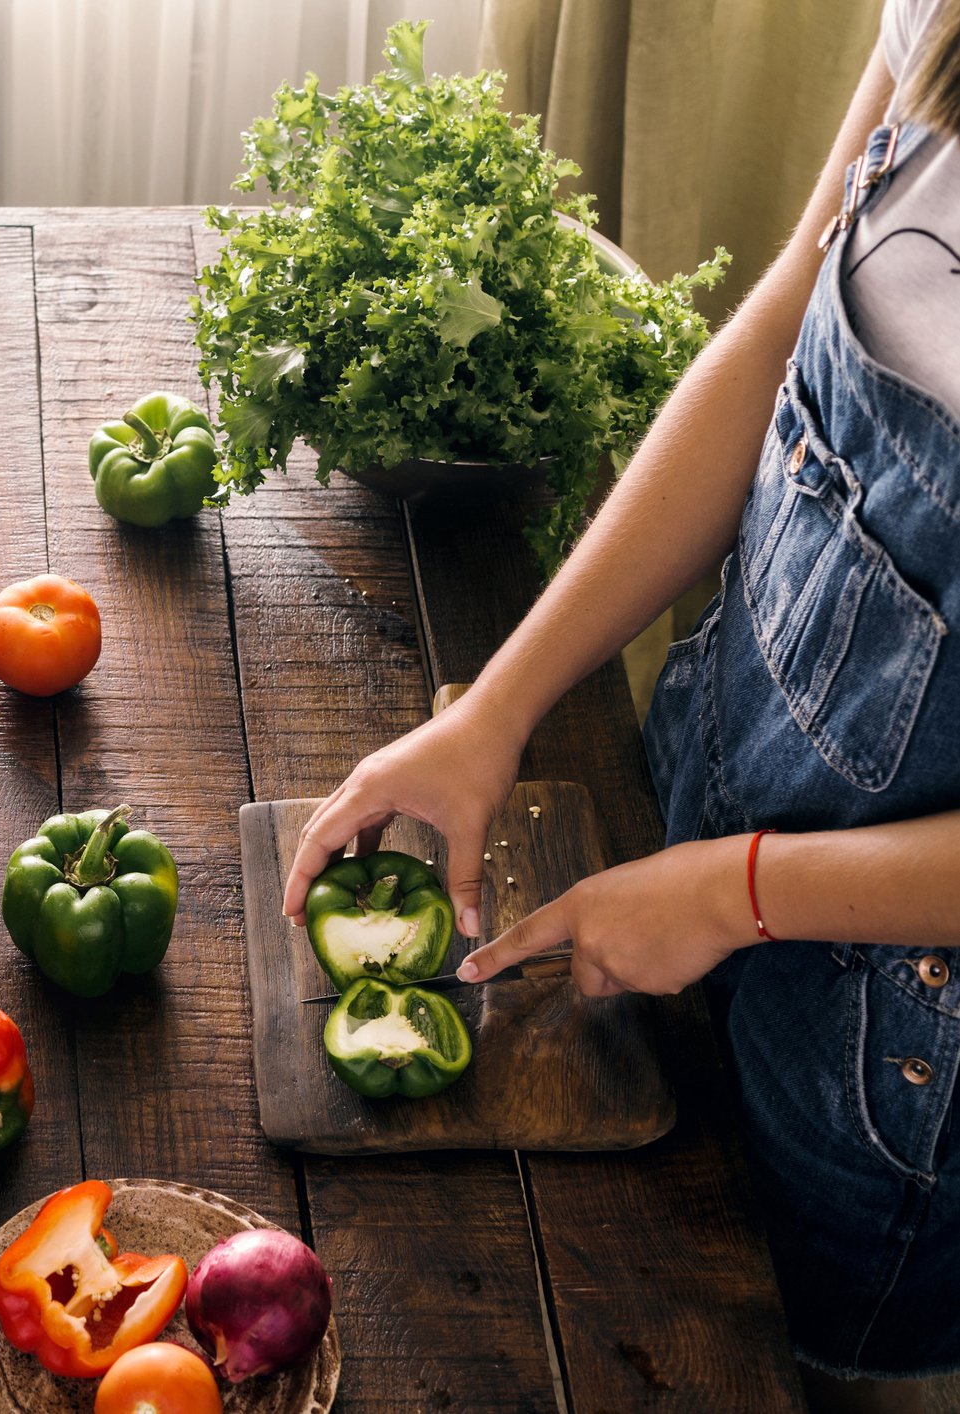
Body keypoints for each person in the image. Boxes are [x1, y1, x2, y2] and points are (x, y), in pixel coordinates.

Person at [283, 2, 959, 1409]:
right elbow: (784, 317)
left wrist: (738, 893)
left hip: (892, 1037)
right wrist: (502, 702)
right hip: (699, 771)